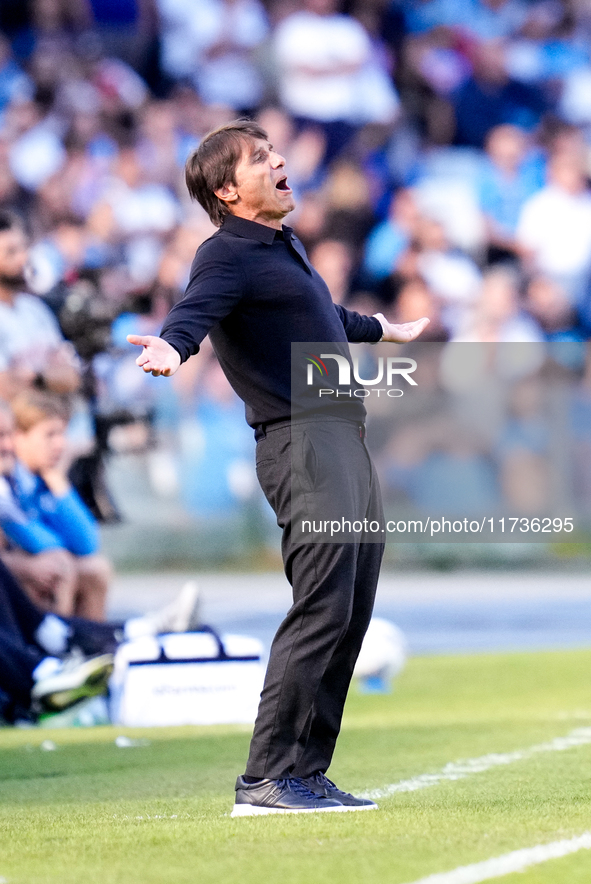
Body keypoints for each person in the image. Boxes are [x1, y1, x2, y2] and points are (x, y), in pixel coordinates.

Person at [127, 119, 429, 816]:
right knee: (321, 606)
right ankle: (265, 778)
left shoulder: (281, 245)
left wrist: (384, 329)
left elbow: (322, 317)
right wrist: (173, 349)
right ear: (228, 191)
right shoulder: (226, 253)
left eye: (274, 153)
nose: (280, 161)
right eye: (261, 159)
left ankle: (306, 771)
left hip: (337, 436)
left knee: (349, 610)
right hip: (302, 444)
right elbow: (191, 314)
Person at [0, 210, 80, 402]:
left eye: (24, 248)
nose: (23, 258)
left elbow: (72, 378)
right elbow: (5, 389)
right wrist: (50, 376)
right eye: (11, 252)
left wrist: (35, 378)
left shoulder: (35, 308)